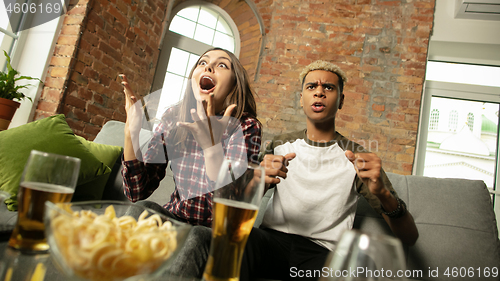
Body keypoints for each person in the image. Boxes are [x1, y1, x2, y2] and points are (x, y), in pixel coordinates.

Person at [238, 60, 419, 280]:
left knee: (360, 269)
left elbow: (409, 236)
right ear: (302, 98)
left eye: (329, 88)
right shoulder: (279, 145)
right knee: (233, 241)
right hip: (271, 242)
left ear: (341, 100)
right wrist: (260, 181)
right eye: (311, 87)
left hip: (323, 253)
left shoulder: (358, 157)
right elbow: (238, 206)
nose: (319, 93)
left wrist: (383, 193)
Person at [119, 47, 262, 227]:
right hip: (174, 219)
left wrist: (212, 147)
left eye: (222, 65)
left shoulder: (246, 126)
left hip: (214, 229)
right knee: (140, 210)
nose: (208, 67)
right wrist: (131, 132)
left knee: (196, 237)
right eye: (203, 62)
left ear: (235, 84)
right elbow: (136, 192)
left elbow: (230, 203)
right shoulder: (173, 116)